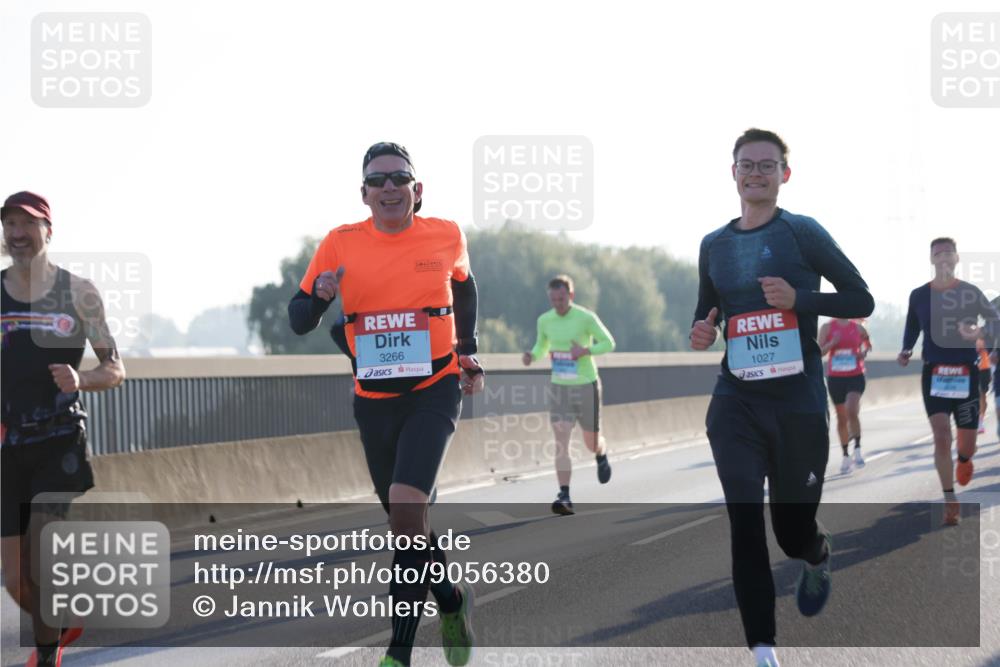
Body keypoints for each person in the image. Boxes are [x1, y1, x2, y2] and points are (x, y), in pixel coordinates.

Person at [287, 143, 483, 667]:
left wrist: (468, 349)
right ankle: (452, 600)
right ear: (364, 194)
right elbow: (299, 319)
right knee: (407, 521)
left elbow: (465, 288)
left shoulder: (445, 234)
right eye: (378, 181)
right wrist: (321, 295)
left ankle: (398, 654)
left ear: (417, 190)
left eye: (399, 178)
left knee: (406, 504)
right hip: (374, 401)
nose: (389, 187)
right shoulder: (340, 243)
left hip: (434, 389)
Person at [689, 129, 874, 667]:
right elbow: (707, 312)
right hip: (736, 402)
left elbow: (861, 299)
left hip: (797, 403)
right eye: (746, 165)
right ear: (733, 173)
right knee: (744, 520)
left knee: (791, 533)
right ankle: (763, 650)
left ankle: (816, 553)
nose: (756, 173)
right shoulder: (714, 244)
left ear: (784, 175)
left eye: (766, 165)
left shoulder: (801, 232)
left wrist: (800, 299)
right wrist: (702, 331)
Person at [1, 191, 126, 667]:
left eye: (27, 224)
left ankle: (47, 654)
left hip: (59, 441)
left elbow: (115, 368)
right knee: (15, 580)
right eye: (10, 224)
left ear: (48, 232)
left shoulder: (79, 293)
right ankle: (59, 618)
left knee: (41, 555)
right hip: (8, 443)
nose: (17, 234)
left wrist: (82, 378)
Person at [898, 237, 1000, 525]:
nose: (943, 257)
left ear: (956, 259)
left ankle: (964, 460)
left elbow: (995, 321)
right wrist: (906, 349)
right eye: (938, 253)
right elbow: (912, 326)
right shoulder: (919, 295)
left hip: (966, 374)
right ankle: (949, 498)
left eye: (948, 253)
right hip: (934, 373)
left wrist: (980, 334)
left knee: (967, 445)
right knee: (942, 436)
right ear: (931, 259)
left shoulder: (970, 292)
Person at [521, 275, 615, 515]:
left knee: (591, 442)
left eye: (561, 299)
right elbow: (542, 345)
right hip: (559, 387)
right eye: (553, 300)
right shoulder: (545, 320)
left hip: (586, 385)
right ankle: (564, 494)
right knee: (561, 439)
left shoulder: (585, 318)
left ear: (570, 295)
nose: (558, 304)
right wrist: (532, 355)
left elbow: (608, 343)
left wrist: (585, 351)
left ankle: (601, 452)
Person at [818, 318, 871, 473]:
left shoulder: (858, 328)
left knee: (851, 410)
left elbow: (867, 344)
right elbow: (819, 352)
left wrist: (863, 352)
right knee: (842, 418)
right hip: (836, 378)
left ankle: (858, 449)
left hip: (856, 375)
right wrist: (832, 343)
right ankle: (846, 455)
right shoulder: (827, 327)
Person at [975, 335, 991, 434]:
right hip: (972, 369)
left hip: (984, 370)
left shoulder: (985, 335)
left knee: (982, 395)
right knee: (975, 395)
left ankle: (980, 420)